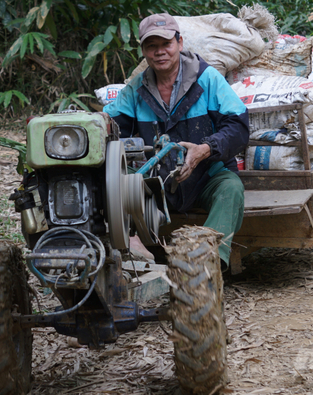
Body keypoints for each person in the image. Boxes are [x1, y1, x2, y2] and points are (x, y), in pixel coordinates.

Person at [103, 13, 249, 266]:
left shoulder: (208, 78)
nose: (160, 52)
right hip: (157, 180)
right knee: (111, 174)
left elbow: (238, 126)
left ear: (179, 44)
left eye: (166, 44)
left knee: (231, 188)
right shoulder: (136, 89)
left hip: (207, 175)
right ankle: (127, 240)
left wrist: (205, 149)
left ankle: (206, 262)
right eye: (152, 46)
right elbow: (110, 128)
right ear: (144, 51)